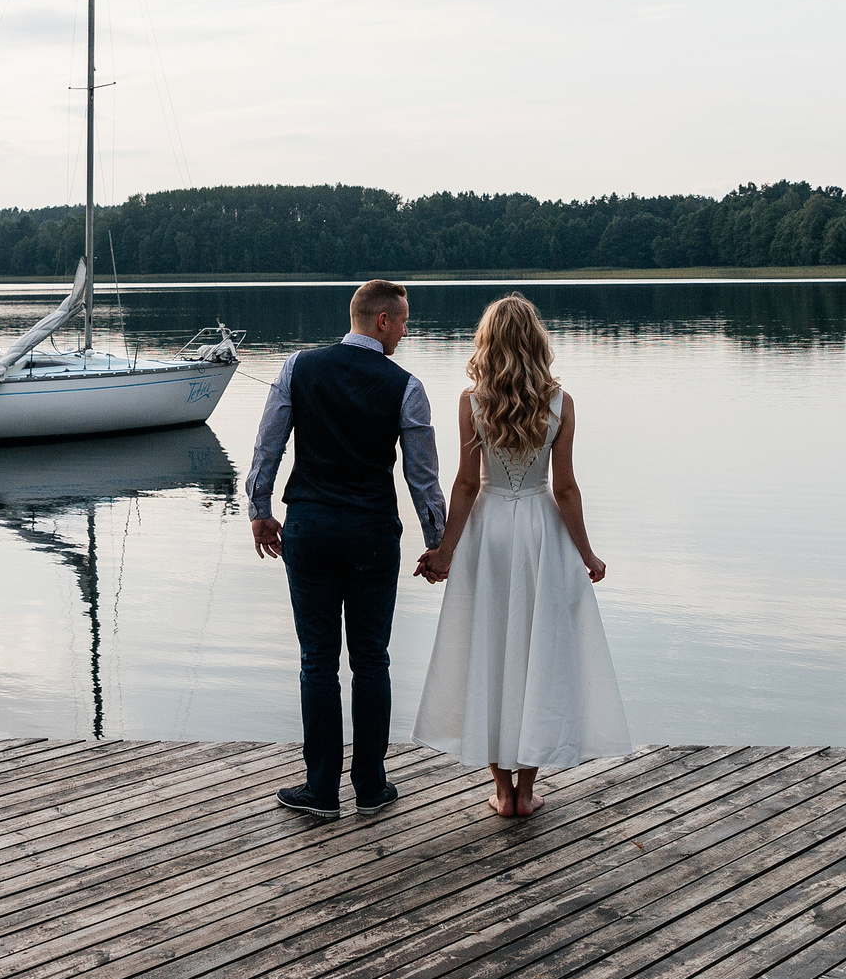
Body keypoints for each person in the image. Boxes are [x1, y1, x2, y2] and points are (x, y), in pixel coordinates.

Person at [413, 293, 629, 818]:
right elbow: (567, 490)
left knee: (490, 648)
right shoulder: (561, 402)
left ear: (487, 343)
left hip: (489, 535)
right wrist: (588, 553)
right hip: (539, 536)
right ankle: (528, 792)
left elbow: (465, 486)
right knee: (537, 652)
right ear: (537, 341)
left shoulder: (472, 402)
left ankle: (502, 793)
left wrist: (444, 551)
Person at [248, 278, 446, 819]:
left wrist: (261, 511)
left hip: (309, 528)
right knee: (371, 660)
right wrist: (439, 545)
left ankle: (320, 790)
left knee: (317, 660)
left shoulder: (297, 367)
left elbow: (268, 444)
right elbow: (422, 478)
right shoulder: (406, 386)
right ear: (382, 320)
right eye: (403, 321)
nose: (406, 332)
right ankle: (371, 786)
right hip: (371, 533)